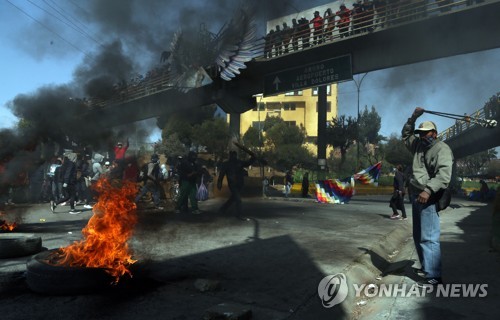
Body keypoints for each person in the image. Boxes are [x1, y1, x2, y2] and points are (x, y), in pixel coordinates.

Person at [402, 107, 453, 288]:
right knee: (418, 235)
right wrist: (414, 117)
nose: (423, 136)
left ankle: (434, 277)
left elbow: (444, 175)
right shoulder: (417, 146)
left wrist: (428, 191)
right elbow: (406, 135)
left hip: (429, 196)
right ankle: (427, 268)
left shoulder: (442, 149)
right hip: (416, 195)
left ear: (435, 133)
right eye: (421, 133)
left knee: (429, 237)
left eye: (427, 133)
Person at [217, 150, 255, 218]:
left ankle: (222, 209)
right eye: (232, 155)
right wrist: (219, 183)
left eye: (234, 155)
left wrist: (253, 158)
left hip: (240, 184)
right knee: (238, 199)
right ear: (230, 156)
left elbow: (248, 163)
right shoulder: (226, 164)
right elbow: (221, 174)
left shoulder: (239, 162)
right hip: (232, 184)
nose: (233, 156)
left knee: (233, 198)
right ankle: (239, 214)